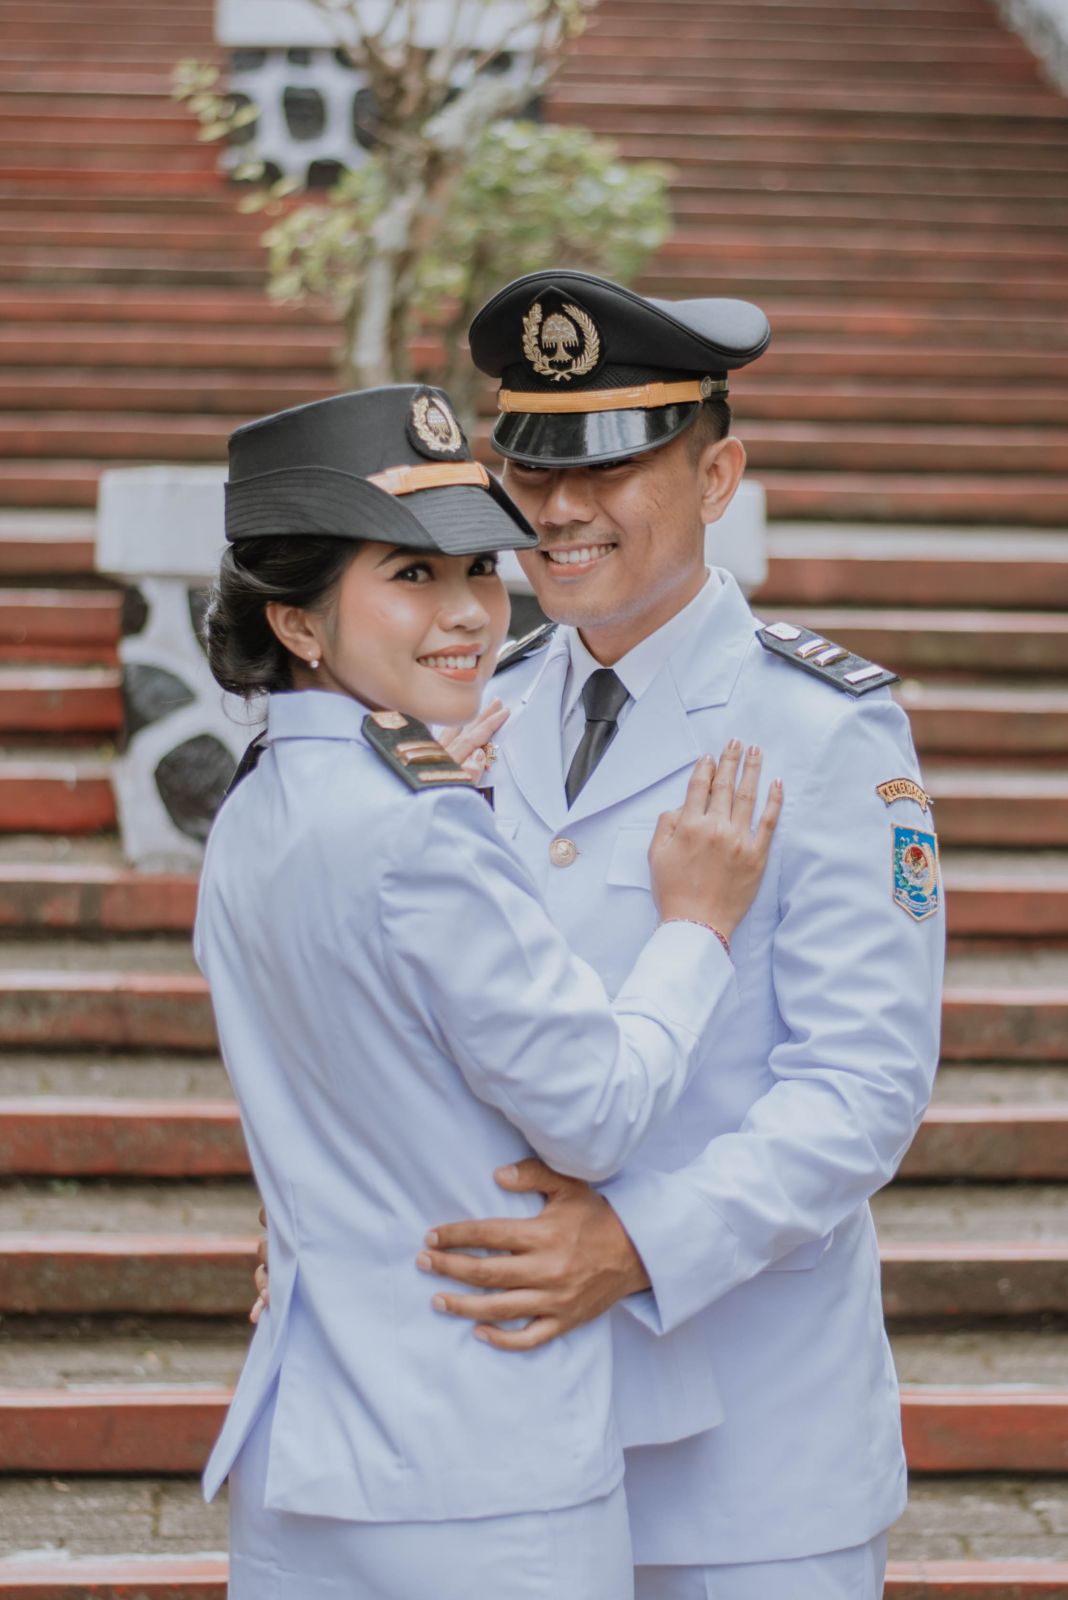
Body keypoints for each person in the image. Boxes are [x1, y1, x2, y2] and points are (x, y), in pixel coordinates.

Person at [407, 271, 946, 1599]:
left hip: (753, 1454)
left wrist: (636, 1245)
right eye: (532, 467)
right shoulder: (479, 710)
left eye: (611, 466)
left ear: (718, 478)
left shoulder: (823, 729)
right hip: (507, 1437)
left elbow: (861, 1086)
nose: (559, 510)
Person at [197, 381, 782, 1600]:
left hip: (308, 1446)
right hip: (480, 1465)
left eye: (477, 568)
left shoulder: (256, 806)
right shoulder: (424, 830)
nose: (467, 610)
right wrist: (695, 928)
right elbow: (597, 1113)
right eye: (411, 575)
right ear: (299, 623)